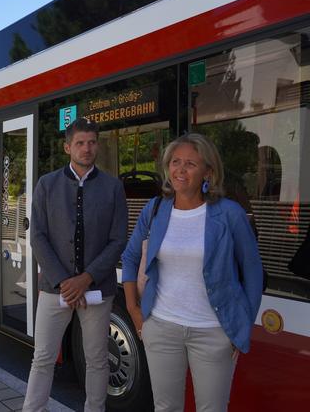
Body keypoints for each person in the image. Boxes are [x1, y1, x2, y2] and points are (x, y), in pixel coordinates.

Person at [121, 133, 263, 412]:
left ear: (208, 171)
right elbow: (130, 256)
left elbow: (253, 269)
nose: (180, 170)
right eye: (175, 162)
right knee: (166, 408)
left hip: (213, 331)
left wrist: (242, 324)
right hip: (161, 327)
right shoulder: (156, 209)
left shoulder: (229, 213)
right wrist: (133, 309)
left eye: (190, 164)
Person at [23, 118, 128, 412]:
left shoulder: (113, 187)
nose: (87, 148)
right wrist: (64, 282)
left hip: (97, 290)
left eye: (92, 142)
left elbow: (118, 239)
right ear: (68, 147)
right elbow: (38, 237)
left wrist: (86, 278)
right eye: (80, 143)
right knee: (42, 358)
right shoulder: (47, 184)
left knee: (97, 359)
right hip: (54, 289)